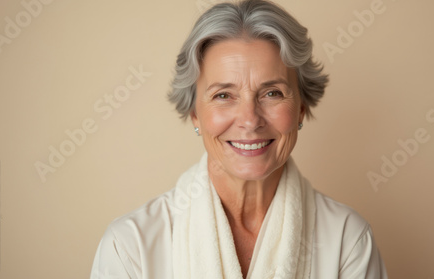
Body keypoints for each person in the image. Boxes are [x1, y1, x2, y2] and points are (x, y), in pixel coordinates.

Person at [90, 0, 388, 278]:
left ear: (301, 107)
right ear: (195, 114)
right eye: (223, 95)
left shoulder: (348, 240)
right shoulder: (129, 246)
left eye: (272, 93)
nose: (249, 120)